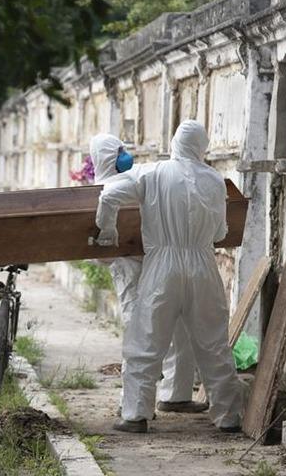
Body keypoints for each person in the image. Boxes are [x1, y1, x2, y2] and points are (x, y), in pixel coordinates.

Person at [95, 120, 244, 433]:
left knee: (146, 341)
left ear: (175, 142)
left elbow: (108, 196)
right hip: (203, 265)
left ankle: (135, 415)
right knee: (213, 343)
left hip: (162, 265)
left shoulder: (151, 172)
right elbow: (220, 232)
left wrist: (108, 233)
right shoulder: (215, 180)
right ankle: (228, 418)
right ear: (202, 147)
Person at [89, 134, 208, 418]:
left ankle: (176, 395)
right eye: (118, 151)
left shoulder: (142, 177)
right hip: (131, 266)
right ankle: (131, 403)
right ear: (105, 157)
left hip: (162, 261)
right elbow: (99, 248)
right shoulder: (101, 190)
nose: (125, 154)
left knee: (180, 325)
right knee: (139, 331)